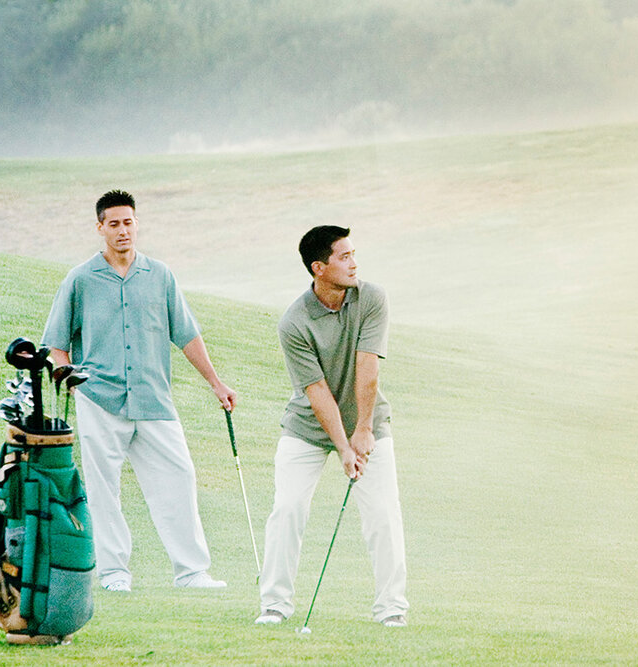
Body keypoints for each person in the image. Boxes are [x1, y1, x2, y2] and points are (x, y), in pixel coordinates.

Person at [42, 189, 237, 592]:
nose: (122, 230)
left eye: (128, 222)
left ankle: (192, 572)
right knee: (103, 489)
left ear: (137, 224)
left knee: (180, 477)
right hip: (99, 398)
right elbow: (56, 343)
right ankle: (114, 574)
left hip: (154, 399)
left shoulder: (160, 275)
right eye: (113, 223)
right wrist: (71, 382)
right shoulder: (80, 278)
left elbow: (186, 336)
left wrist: (216, 384)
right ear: (100, 228)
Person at [255, 225, 408, 628]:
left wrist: (362, 430)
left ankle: (391, 608)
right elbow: (317, 391)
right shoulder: (294, 322)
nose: (354, 263)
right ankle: (274, 605)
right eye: (344, 257)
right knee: (287, 509)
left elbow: (367, 366)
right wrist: (342, 446)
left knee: (382, 513)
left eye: (354, 253)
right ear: (319, 268)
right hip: (307, 427)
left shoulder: (371, 298)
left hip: (368, 422)